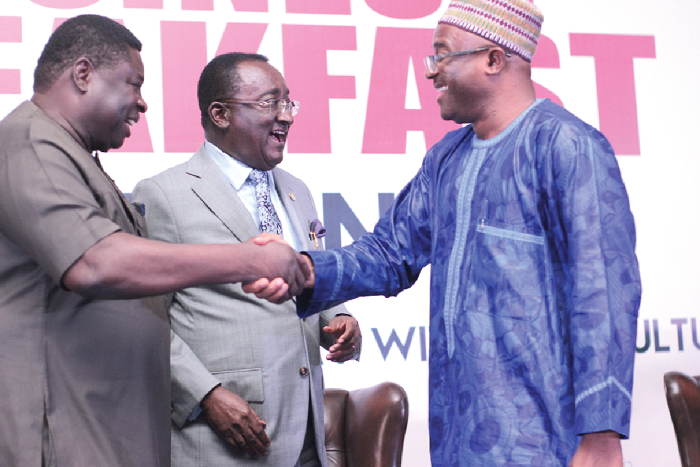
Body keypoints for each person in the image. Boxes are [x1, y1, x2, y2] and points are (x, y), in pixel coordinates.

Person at [248, 0, 642, 465]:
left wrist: (601, 432)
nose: (431, 73)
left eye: (442, 55)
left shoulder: (568, 146)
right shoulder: (446, 158)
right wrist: (304, 268)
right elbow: (390, 252)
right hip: (456, 432)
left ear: (493, 59)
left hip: (546, 436)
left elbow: (604, 293)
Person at [0, 15, 309, 467]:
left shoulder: (72, 155)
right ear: (83, 74)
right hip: (59, 429)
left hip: (102, 423)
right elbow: (95, 262)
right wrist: (249, 260)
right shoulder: (30, 142)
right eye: (133, 84)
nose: (142, 104)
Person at [131, 52, 361, 467]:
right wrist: (206, 395)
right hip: (225, 437)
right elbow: (144, 319)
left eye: (288, 102)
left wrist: (339, 319)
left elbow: (308, 278)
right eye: (270, 102)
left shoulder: (297, 189)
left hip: (306, 428)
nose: (286, 116)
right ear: (220, 113)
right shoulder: (164, 194)